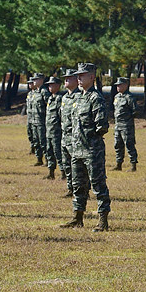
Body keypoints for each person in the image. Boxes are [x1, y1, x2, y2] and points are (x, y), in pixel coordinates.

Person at [60, 63, 111, 232]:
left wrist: (90, 137)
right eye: (78, 76)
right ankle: (77, 217)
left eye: (82, 76)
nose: (79, 79)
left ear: (92, 77)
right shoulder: (77, 98)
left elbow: (102, 125)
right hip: (77, 150)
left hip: (91, 150)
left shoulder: (95, 98)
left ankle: (102, 220)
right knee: (78, 185)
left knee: (98, 185)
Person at [60, 69, 81, 199]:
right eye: (65, 78)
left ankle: (80, 190)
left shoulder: (79, 97)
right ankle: (70, 188)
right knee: (66, 164)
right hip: (65, 136)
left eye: (69, 78)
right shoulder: (64, 97)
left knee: (77, 167)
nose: (66, 80)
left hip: (76, 138)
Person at [112, 77, 138, 172]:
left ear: (126, 85)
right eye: (117, 85)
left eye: (120, 85)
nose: (118, 87)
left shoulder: (129, 97)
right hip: (117, 125)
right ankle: (118, 164)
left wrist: (127, 119)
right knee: (117, 145)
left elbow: (135, 111)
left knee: (129, 145)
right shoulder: (116, 97)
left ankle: (133, 165)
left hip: (127, 126)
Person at [43, 76, 65, 181]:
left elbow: (62, 116)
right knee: (49, 152)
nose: (49, 87)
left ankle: (63, 173)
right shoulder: (50, 99)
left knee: (58, 153)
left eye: (52, 84)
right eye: (49, 85)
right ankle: (51, 172)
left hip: (57, 132)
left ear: (58, 86)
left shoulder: (60, 99)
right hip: (49, 131)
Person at [26, 73, 48, 166]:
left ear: (41, 80)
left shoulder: (44, 92)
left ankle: (48, 160)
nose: (34, 81)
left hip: (41, 122)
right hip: (33, 121)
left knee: (43, 142)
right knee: (36, 141)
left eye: (36, 79)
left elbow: (48, 107)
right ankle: (39, 159)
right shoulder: (34, 93)